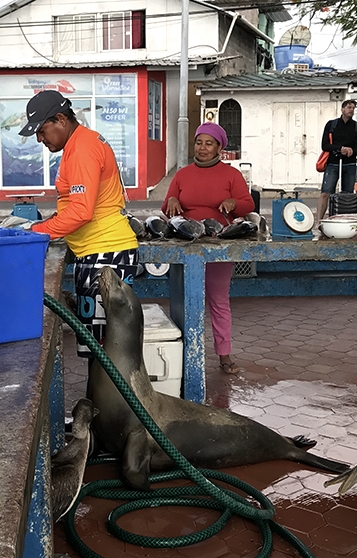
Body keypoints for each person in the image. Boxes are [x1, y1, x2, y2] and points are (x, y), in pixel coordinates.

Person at [17, 90, 138, 356]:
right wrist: (52, 222)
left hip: (106, 255)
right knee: (97, 349)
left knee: (106, 352)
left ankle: (106, 399)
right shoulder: (78, 145)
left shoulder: (83, 149)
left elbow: (82, 212)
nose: (39, 139)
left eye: (41, 130)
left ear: (60, 119)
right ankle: (99, 398)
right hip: (96, 251)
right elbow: (76, 204)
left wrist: (36, 231)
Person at [161, 122, 254, 374]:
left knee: (218, 300)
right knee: (182, 300)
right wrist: (171, 199)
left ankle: (224, 354)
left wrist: (233, 202)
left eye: (208, 143)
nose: (202, 148)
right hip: (186, 244)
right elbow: (166, 207)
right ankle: (183, 353)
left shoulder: (231, 175)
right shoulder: (182, 174)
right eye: (199, 142)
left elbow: (248, 204)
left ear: (219, 148)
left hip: (217, 245)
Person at [317, 100, 357, 220]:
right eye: (349, 107)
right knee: (326, 192)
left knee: (347, 195)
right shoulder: (331, 125)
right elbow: (325, 145)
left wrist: (351, 151)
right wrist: (340, 148)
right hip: (333, 163)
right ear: (342, 109)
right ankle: (319, 221)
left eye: (353, 108)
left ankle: (345, 220)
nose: (351, 110)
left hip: (349, 164)